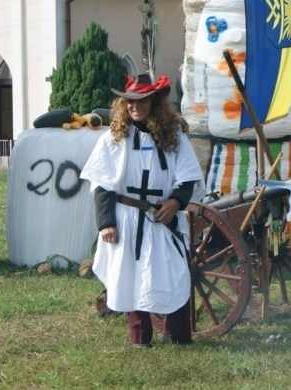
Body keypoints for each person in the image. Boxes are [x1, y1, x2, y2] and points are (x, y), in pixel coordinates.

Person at [81, 74, 205, 348]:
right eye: (130, 101)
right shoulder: (114, 138)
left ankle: (177, 335)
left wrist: (175, 202)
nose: (135, 106)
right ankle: (140, 338)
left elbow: (188, 178)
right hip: (127, 218)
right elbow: (101, 184)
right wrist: (106, 224)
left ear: (154, 102)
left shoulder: (173, 136)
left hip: (163, 218)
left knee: (172, 272)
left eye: (143, 100)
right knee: (131, 275)